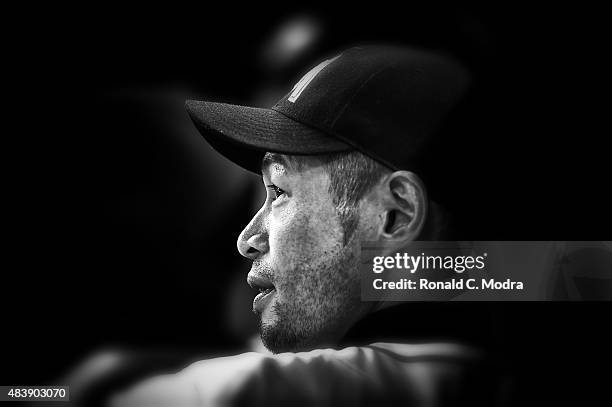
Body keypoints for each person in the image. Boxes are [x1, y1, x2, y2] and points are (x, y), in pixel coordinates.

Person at [110, 45, 501, 407]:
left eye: (279, 190)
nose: (247, 240)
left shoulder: (240, 392)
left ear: (394, 215)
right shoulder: (516, 297)